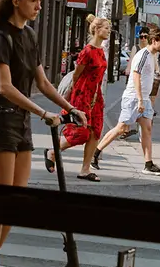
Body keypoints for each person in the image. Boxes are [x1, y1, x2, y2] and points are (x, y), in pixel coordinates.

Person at [0, 0, 87, 267]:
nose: (39, 5)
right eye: (34, 0)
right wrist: (44, 114)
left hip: (20, 123)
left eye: (39, 0)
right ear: (16, 1)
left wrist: (70, 108)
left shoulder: (30, 36)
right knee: (1, 200)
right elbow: (5, 86)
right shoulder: (1, 36)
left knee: (16, 202)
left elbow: (43, 83)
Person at [91, 25, 160, 175]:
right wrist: (139, 99)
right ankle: (95, 153)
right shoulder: (143, 54)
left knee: (147, 129)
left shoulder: (151, 56)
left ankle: (148, 163)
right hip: (134, 98)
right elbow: (136, 75)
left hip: (143, 99)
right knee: (121, 128)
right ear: (154, 40)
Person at [43, 14, 110, 182]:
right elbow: (76, 76)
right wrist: (76, 99)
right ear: (96, 29)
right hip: (82, 94)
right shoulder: (87, 51)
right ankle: (52, 152)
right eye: (106, 28)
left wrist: (97, 95)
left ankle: (85, 169)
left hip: (96, 95)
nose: (109, 31)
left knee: (96, 131)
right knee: (81, 133)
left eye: (109, 28)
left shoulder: (102, 51)